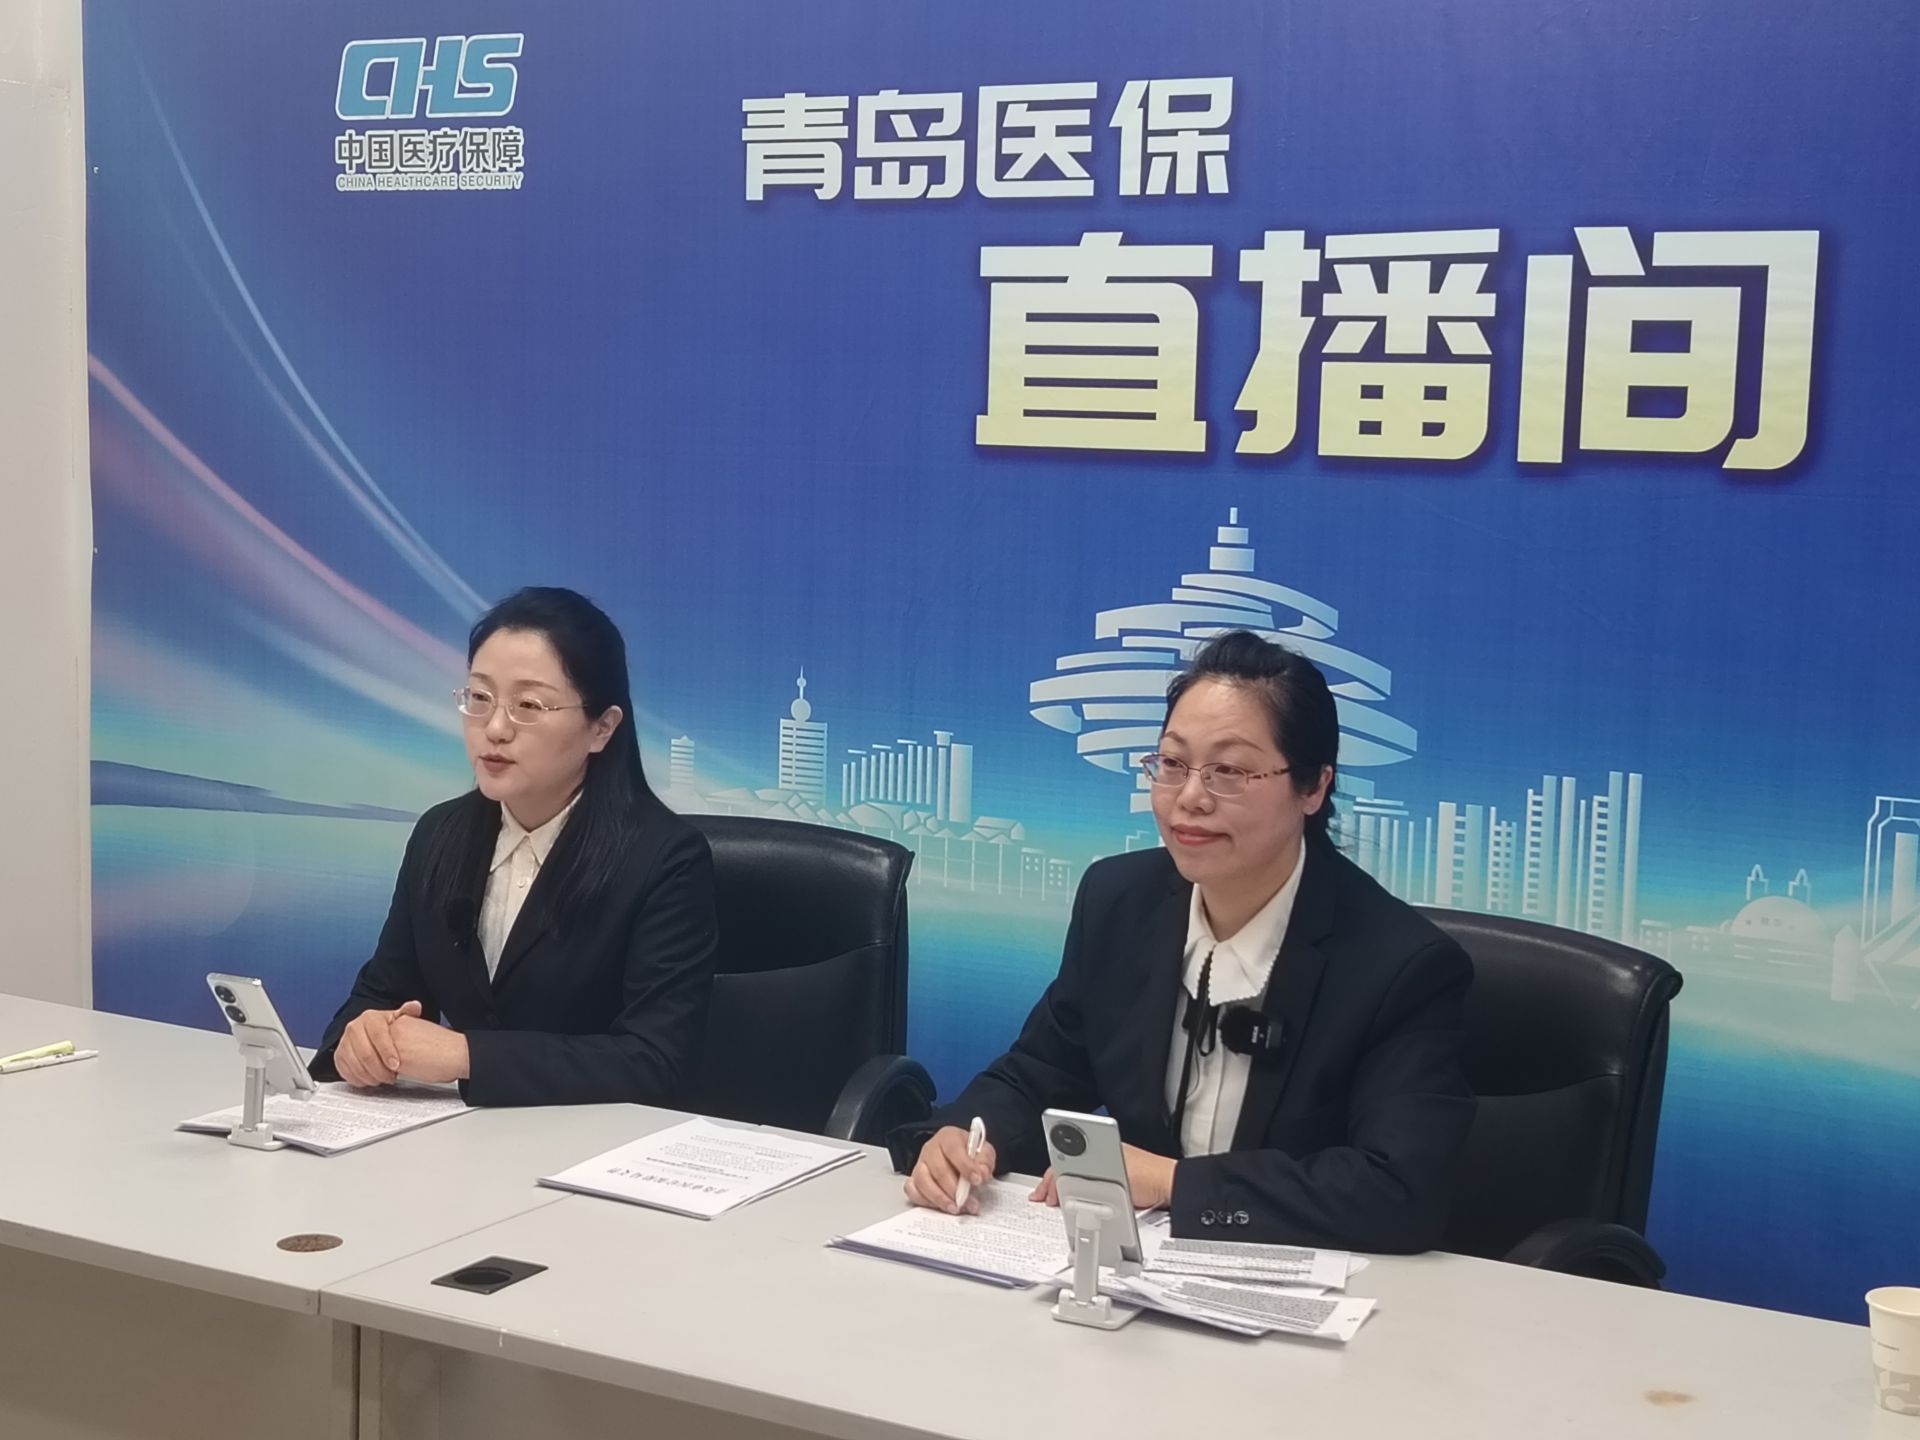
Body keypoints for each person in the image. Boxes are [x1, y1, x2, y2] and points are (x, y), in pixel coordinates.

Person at [893, 631, 1474, 1253]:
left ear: (1313, 787)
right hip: (1137, 1271)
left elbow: (1397, 1193)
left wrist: (1175, 1183)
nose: (1190, 799)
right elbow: (1040, 1072)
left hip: (1310, 1282)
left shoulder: (1401, 967)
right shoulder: (1119, 901)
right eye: (1172, 764)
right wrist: (965, 1136)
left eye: (1229, 772)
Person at [311, 587, 718, 1107]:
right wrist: (361, 1040)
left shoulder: (665, 859)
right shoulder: (441, 834)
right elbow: (382, 995)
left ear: (602, 728)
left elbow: (655, 1061)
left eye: (528, 705)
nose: (495, 728)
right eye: (479, 698)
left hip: (595, 1141)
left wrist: (467, 1056)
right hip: (464, 1140)